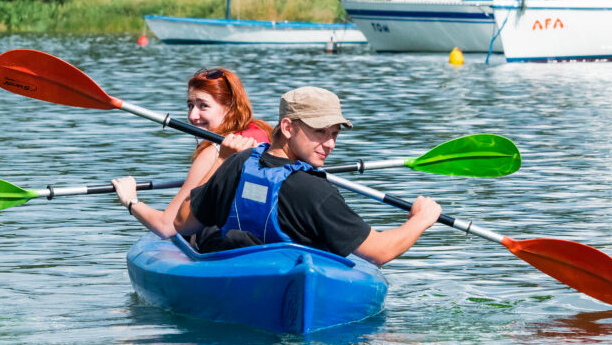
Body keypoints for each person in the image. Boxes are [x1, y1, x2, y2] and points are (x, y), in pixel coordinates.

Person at [174, 86, 441, 265]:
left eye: (334, 133)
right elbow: (379, 253)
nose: (330, 144)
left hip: (235, 277)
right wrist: (421, 219)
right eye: (319, 131)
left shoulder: (237, 162)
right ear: (288, 127)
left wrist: (220, 161)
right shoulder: (316, 192)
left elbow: (183, 223)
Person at [111, 68, 271, 238]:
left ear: (231, 106)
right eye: (190, 105)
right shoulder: (264, 132)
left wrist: (131, 201)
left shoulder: (213, 153)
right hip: (265, 235)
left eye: (204, 106)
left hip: (225, 244)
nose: (193, 116)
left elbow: (166, 227)